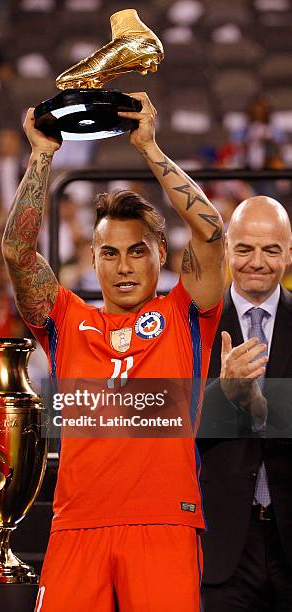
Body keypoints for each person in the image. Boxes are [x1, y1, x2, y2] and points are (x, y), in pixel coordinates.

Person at [2, 92, 225, 611]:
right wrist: (41, 153)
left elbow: (212, 233)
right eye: (109, 253)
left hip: (165, 522)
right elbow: (16, 250)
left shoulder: (184, 314)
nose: (123, 266)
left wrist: (149, 147)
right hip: (77, 526)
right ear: (93, 259)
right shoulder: (65, 320)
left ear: (160, 255)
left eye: (137, 251)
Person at [198, 196, 292, 611]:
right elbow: (172, 420)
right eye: (244, 248)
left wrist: (260, 407)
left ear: (289, 253)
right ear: (227, 249)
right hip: (223, 547)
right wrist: (225, 394)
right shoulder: (195, 325)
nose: (258, 261)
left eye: (271, 250)